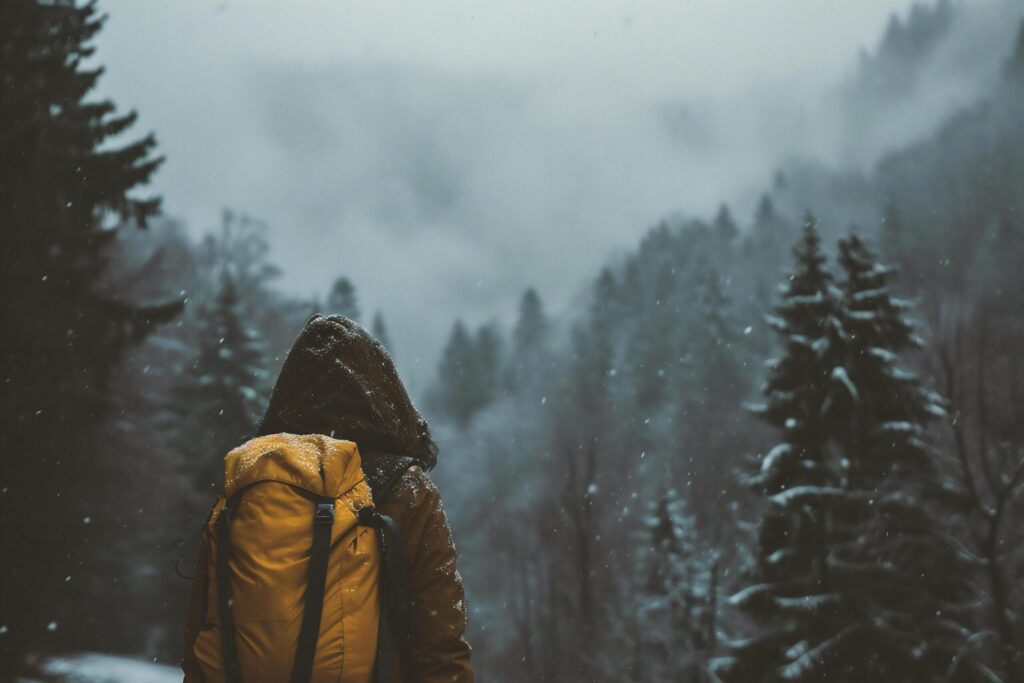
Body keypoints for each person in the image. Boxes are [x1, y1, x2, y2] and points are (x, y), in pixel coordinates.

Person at [182, 314, 474, 682]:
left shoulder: (248, 485)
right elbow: (441, 650)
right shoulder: (407, 491)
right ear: (384, 393)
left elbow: (201, 642)